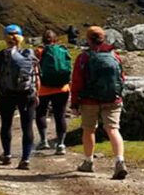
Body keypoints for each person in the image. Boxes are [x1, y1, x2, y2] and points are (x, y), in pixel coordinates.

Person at [70, 26, 128, 180]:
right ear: (104, 38)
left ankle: (88, 162)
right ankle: (119, 161)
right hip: (112, 99)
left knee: (89, 130)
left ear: (88, 39)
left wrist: (74, 103)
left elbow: (76, 82)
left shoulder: (83, 58)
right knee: (113, 129)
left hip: (89, 100)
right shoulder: (114, 56)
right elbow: (122, 78)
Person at [0, 24, 39, 170]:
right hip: (27, 94)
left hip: (7, 95)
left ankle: (7, 155)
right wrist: (36, 93)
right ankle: (25, 159)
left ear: (5, 38)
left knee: (6, 124)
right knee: (27, 126)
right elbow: (36, 77)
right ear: (21, 37)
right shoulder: (29, 54)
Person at [35, 29, 72, 154]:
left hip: (43, 88)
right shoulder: (63, 50)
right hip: (62, 88)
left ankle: (43, 140)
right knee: (60, 115)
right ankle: (61, 144)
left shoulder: (39, 51)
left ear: (43, 40)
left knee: (40, 113)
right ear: (56, 40)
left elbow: (34, 69)